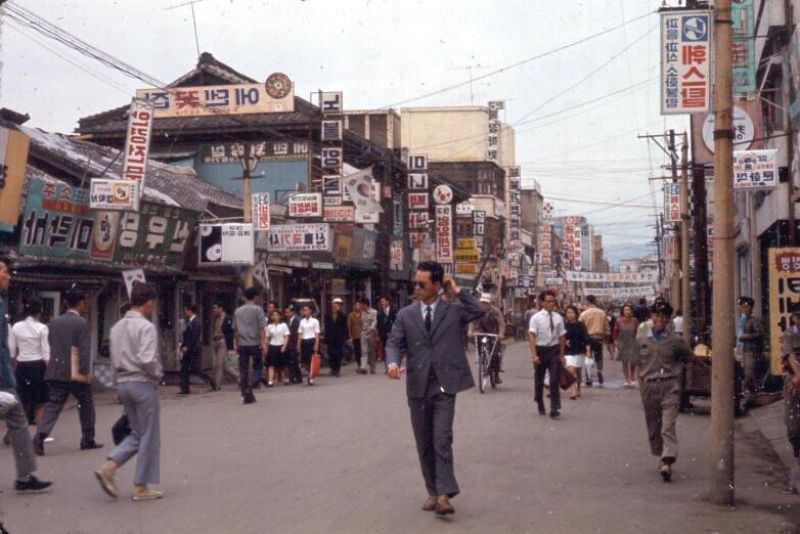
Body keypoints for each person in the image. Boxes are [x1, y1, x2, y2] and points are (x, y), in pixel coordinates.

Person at [386, 261, 484, 516]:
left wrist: (457, 289)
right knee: (424, 442)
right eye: (415, 283)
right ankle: (432, 491)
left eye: (422, 284)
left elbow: (478, 310)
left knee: (442, 438)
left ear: (437, 285)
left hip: (444, 384)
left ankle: (444, 495)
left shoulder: (453, 311)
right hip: (417, 385)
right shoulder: (405, 314)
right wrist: (393, 362)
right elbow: (393, 342)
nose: (417, 288)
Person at [95, 282, 163, 501]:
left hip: (123, 383)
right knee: (149, 435)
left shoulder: (116, 327)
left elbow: (114, 359)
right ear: (148, 302)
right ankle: (140, 486)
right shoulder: (146, 327)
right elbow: (147, 359)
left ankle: (109, 466)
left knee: (137, 432)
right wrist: (158, 373)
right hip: (142, 383)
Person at [0, 261, 52, 493]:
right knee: (22, 417)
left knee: (19, 420)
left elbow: (8, 348)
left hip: (15, 371)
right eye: (3, 271)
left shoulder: (9, 314)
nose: (8, 276)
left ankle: (24, 475)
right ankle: (24, 475)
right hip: (9, 373)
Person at [35, 288, 102, 455]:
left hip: (56, 369)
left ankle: (40, 436)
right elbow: (84, 349)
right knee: (85, 404)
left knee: (53, 405)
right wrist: (85, 371)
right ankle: (87, 439)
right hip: (75, 371)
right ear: (80, 303)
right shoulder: (82, 323)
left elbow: (51, 345)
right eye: (84, 302)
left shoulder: (54, 323)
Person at [638, 301, 693, 482]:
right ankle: (661, 454)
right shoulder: (642, 339)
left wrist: (676, 372)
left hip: (670, 386)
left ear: (668, 319)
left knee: (667, 425)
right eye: (656, 315)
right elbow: (635, 360)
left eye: (663, 316)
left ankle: (667, 461)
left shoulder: (675, 341)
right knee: (653, 425)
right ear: (651, 317)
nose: (659, 319)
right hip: (649, 386)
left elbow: (687, 357)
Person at [9, 297, 50, 425]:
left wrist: (13, 366)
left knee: (21, 399)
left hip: (21, 366)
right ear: (40, 311)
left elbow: (12, 350)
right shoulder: (42, 328)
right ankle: (39, 434)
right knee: (40, 401)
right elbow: (46, 353)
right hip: (38, 366)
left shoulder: (16, 326)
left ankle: (13, 431)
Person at [529, 290, 566, 418]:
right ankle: (539, 401)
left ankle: (554, 407)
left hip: (554, 350)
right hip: (540, 350)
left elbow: (562, 337)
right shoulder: (536, 318)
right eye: (548, 301)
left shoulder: (558, 317)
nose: (551, 304)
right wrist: (534, 355)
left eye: (552, 301)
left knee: (554, 379)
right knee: (539, 379)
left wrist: (562, 355)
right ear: (542, 302)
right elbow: (532, 337)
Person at [234, 287, 267, 404]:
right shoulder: (258, 310)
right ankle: (251, 386)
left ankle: (245, 392)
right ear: (255, 297)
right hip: (255, 343)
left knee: (243, 369)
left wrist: (236, 344)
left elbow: (236, 330)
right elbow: (262, 328)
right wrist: (264, 343)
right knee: (258, 367)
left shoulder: (237, 311)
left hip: (242, 344)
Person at [781, 303, 800, 492]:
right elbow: (790, 356)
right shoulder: (790, 334)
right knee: (793, 426)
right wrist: (797, 375)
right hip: (793, 383)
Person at [468, 293, 505, 384]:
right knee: (480, 347)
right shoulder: (477, 311)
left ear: (490, 303)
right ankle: (482, 361)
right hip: (481, 331)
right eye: (482, 302)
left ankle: (496, 374)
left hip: (493, 332)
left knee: (496, 353)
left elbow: (501, 323)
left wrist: (501, 333)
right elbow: (472, 322)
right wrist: (470, 331)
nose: (484, 304)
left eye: (486, 303)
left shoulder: (495, 311)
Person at [737, 296, 764, 405]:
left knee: (749, 374)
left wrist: (746, 336)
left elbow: (760, 334)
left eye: (743, 307)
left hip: (751, 350)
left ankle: (750, 396)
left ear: (748, 307)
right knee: (745, 374)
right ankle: (750, 396)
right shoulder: (743, 319)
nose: (741, 309)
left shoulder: (754, 320)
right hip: (743, 349)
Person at [579, 295, 609, 387]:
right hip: (598, 337)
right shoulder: (602, 313)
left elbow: (580, 327)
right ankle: (599, 370)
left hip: (587, 338)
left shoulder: (583, 314)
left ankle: (588, 377)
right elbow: (606, 326)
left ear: (587, 302)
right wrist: (606, 335)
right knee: (599, 356)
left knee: (588, 357)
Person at [563, 305, 590, 400]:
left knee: (578, 371)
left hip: (579, 349)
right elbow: (561, 337)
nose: (570, 315)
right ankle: (573, 390)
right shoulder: (564, 325)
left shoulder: (581, 325)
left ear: (576, 314)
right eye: (568, 313)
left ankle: (578, 388)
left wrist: (588, 350)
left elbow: (586, 338)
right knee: (571, 369)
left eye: (572, 313)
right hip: (568, 350)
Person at [210, 302, 235, 391]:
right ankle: (239, 377)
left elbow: (230, 333)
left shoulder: (228, 318)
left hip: (222, 341)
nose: (213, 310)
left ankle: (217, 385)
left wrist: (231, 347)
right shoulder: (216, 319)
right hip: (215, 341)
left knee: (219, 364)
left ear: (221, 308)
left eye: (215, 308)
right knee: (223, 366)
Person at [613, 304, 640, 388]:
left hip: (633, 341)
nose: (627, 311)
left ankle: (632, 378)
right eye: (625, 310)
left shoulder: (635, 320)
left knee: (633, 361)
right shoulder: (619, 321)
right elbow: (615, 332)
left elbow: (638, 331)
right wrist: (615, 342)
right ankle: (626, 379)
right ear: (623, 311)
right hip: (622, 342)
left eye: (628, 310)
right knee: (624, 361)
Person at [179, 303, 202, 395]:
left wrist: (187, 347)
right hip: (188, 348)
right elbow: (187, 336)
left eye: (185, 310)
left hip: (192, 349)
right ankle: (184, 388)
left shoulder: (195, 322)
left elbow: (193, 337)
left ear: (190, 311)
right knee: (184, 368)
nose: (184, 312)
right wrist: (183, 346)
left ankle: (211, 382)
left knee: (195, 369)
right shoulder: (189, 322)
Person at [265, 310, 290, 387]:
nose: (275, 317)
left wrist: (284, 346)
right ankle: (270, 380)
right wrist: (266, 347)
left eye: (277, 315)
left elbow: (286, 336)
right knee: (271, 364)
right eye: (273, 315)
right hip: (272, 346)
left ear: (280, 316)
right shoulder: (269, 326)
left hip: (281, 345)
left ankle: (286, 377)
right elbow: (267, 337)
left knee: (284, 364)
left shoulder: (283, 325)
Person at [297, 304, 321, 386]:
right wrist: (298, 344)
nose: (305, 312)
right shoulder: (302, 321)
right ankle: (308, 373)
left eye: (307, 310)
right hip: (304, 341)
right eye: (304, 310)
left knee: (312, 360)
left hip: (311, 340)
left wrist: (316, 344)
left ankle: (311, 377)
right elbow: (300, 333)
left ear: (310, 311)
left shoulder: (315, 321)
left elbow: (317, 334)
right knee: (305, 361)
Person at [325, 298, 349, 377]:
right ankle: (332, 368)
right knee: (331, 354)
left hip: (339, 338)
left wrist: (345, 337)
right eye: (334, 304)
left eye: (338, 305)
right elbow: (326, 327)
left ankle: (337, 370)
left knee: (338, 354)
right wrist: (326, 337)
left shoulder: (343, 315)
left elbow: (345, 327)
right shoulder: (328, 315)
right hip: (330, 338)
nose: (336, 306)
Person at [285, 305, 303, 384]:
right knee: (290, 361)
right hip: (289, 344)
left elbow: (298, 333)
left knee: (294, 361)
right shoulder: (287, 321)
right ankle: (292, 377)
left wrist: (298, 344)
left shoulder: (297, 320)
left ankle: (298, 377)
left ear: (292, 312)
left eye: (288, 312)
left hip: (294, 343)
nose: (286, 314)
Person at [360, 297, 378, 374]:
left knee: (371, 351)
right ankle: (363, 367)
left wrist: (371, 328)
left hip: (371, 334)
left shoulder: (374, 312)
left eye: (361, 304)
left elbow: (375, 321)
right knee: (364, 351)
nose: (360, 306)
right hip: (363, 333)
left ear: (365, 304)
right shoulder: (361, 313)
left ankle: (372, 367)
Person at [377, 296, 397, 366]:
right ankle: (387, 366)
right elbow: (379, 325)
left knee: (392, 349)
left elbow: (396, 322)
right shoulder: (379, 312)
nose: (382, 303)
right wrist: (379, 335)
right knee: (385, 350)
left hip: (392, 334)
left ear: (388, 302)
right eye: (381, 302)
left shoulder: (394, 310)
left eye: (383, 301)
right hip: (383, 334)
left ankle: (393, 365)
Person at [348, 300, 365, 375]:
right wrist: (350, 335)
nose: (357, 306)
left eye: (359, 305)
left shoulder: (363, 314)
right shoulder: (351, 315)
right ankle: (359, 364)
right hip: (355, 335)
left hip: (363, 335)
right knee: (357, 350)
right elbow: (349, 326)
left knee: (363, 350)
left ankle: (363, 365)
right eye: (356, 305)